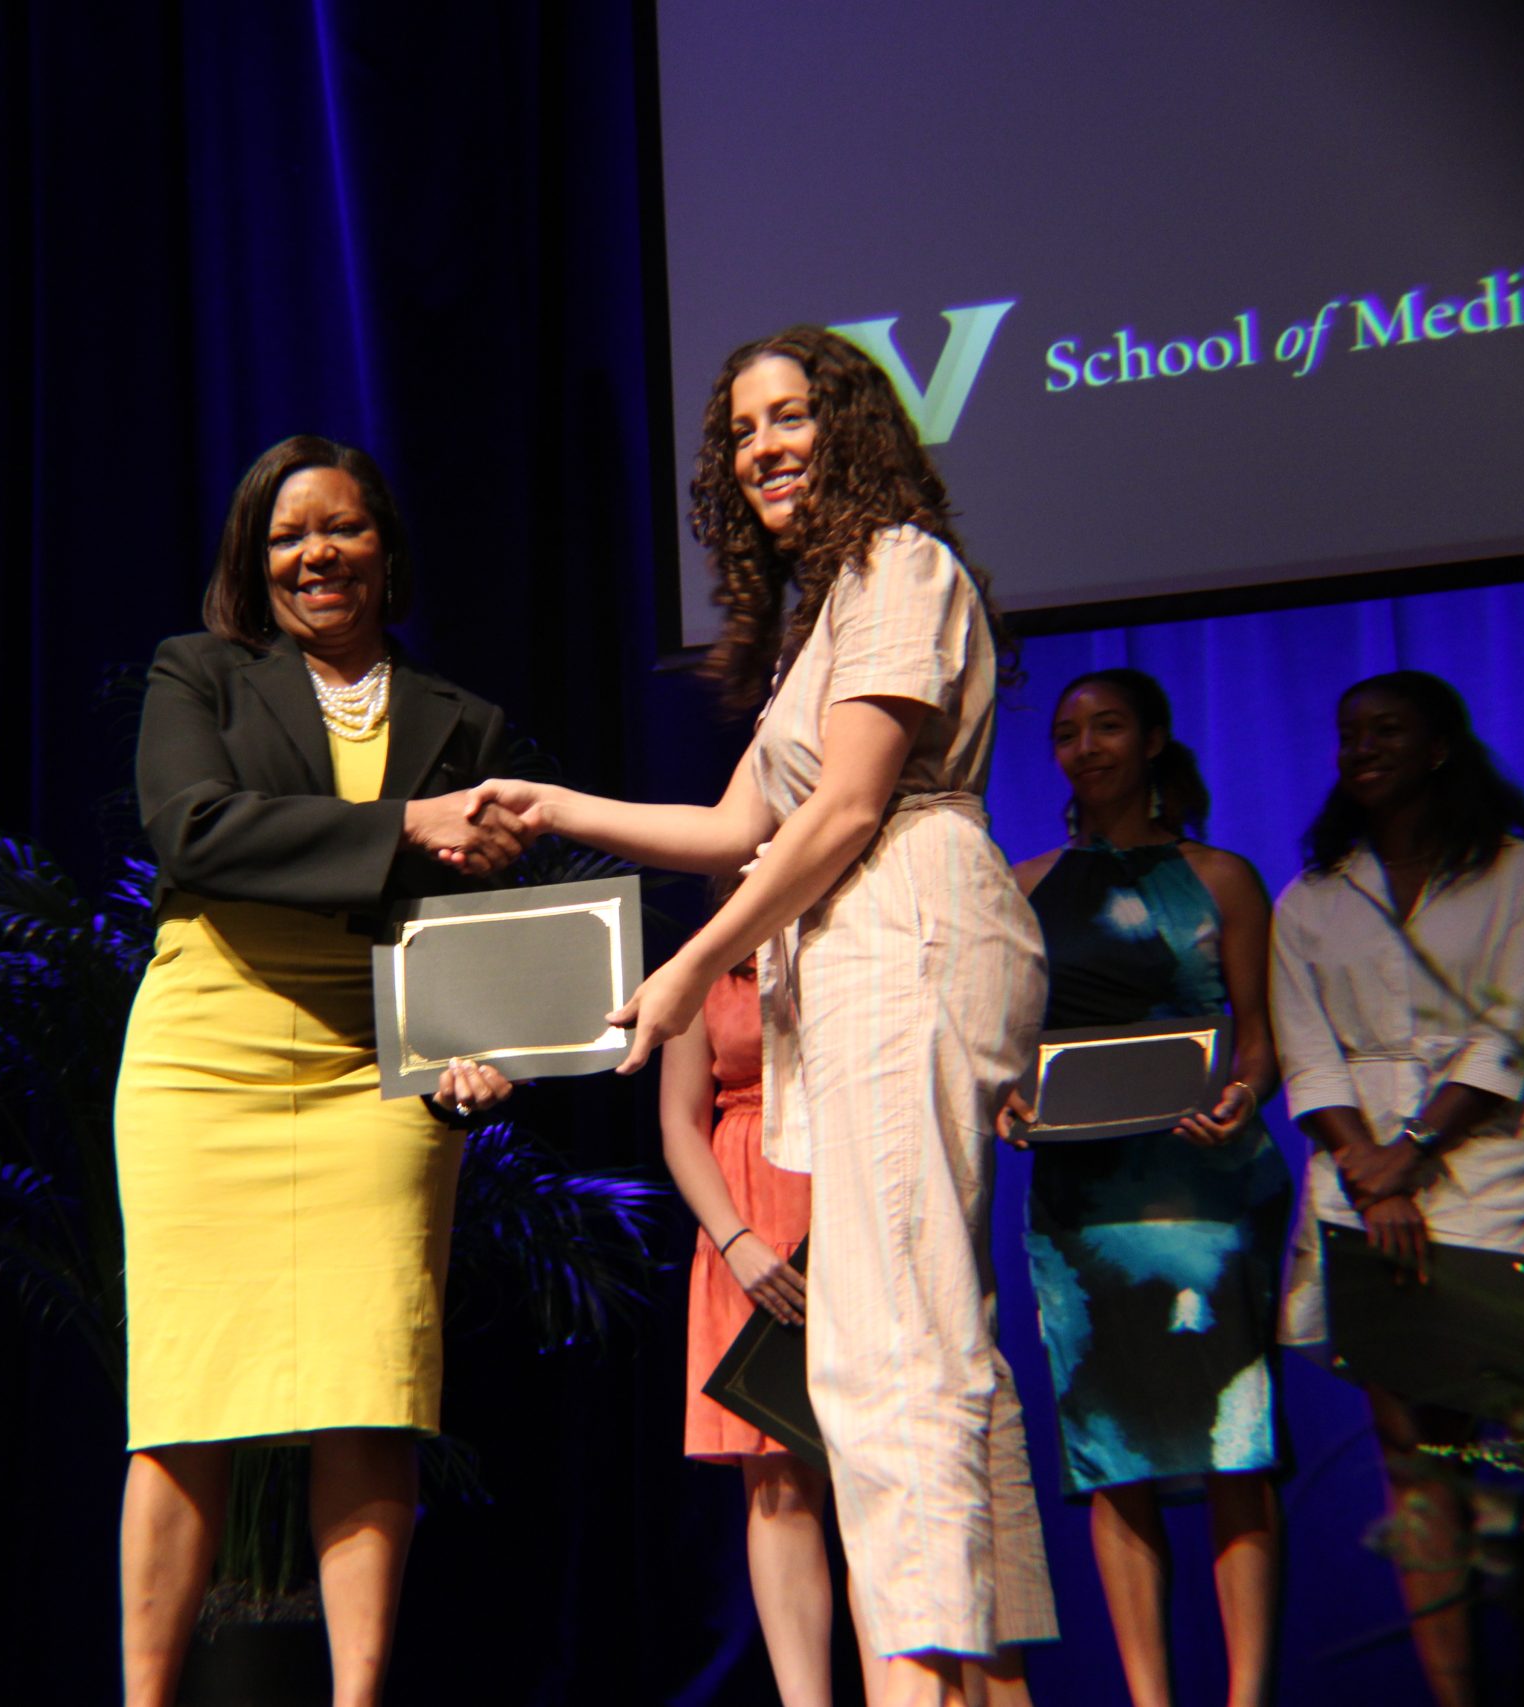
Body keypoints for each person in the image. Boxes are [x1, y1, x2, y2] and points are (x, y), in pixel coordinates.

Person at [469, 327, 1055, 1707]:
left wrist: (693, 969)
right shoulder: (824, 617)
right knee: (905, 1327)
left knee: (895, 1341)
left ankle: (925, 1678)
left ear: (854, 425)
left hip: (905, 921)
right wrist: (547, 806)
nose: (764, 446)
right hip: (850, 953)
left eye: (792, 415)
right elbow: (739, 819)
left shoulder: (903, 565)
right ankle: (980, 1680)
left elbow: (847, 805)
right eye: (743, 430)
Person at [113, 435, 532, 1707]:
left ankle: (358, 1698)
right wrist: (404, 823)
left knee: (372, 1383)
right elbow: (195, 830)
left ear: (384, 551)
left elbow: (455, 926)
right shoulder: (201, 675)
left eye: (341, 529)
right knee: (186, 1394)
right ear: (255, 561)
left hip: (374, 1066)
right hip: (209, 1053)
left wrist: (476, 1045)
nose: (316, 555)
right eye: (289, 536)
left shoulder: (464, 721)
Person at [1270, 670, 1524, 1707]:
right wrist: (1373, 1169)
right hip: (1366, 1198)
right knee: (1413, 1460)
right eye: (1348, 731)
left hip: (1491, 1184)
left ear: (1440, 747)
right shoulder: (1312, 896)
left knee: (1513, 1450)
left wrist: (1412, 1151)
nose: (1361, 747)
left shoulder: (1518, 876)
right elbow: (1306, 1051)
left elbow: (1518, 1031)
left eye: (1387, 731)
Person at [996, 668, 1289, 1707]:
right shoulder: (1023, 883)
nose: (1085, 746)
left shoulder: (1223, 879)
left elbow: (1259, 1037)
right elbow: (1005, 1049)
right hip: (1081, 1204)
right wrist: (1009, 1103)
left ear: (1154, 739)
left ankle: (1247, 1694)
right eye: (1068, 731)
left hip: (1206, 1188)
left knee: (1233, 1442)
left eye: (1108, 726)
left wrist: (1246, 1096)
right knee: (1108, 1447)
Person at [659, 954, 832, 1705]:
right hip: (752, 1220)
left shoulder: (856, 922)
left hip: (853, 1190)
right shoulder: (706, 958)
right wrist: (735, 1240)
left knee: (885, 1469)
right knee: (778, 1481)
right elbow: (678, 1120)